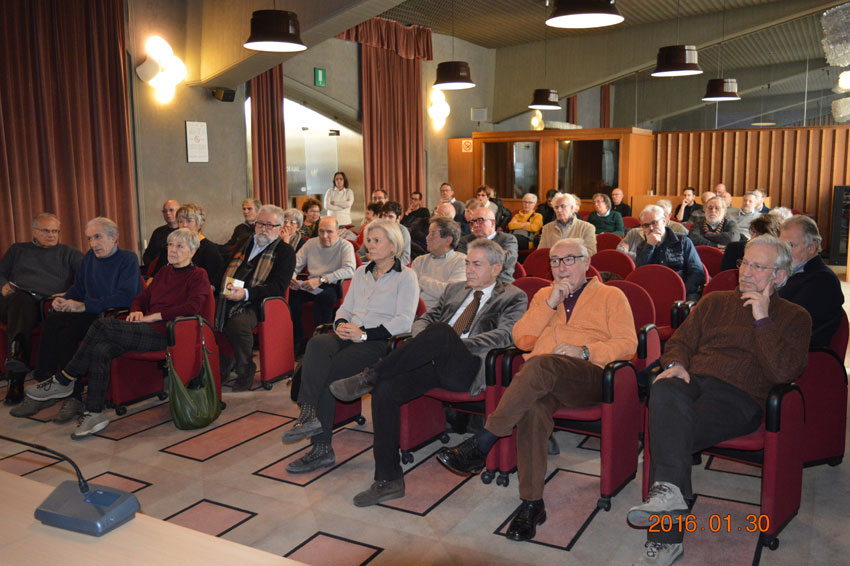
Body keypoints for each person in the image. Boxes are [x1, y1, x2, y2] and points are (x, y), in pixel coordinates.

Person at [435, 239, 636, 541]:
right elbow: (522, 340)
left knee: (542, 364)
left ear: (586, 262)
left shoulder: (611, 295)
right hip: (541, 381)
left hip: (589, 376)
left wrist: (585, 351)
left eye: (569, 259)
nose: (561, 267)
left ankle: (484, 440)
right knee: (533, 409)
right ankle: (532, 504)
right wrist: (550, 304)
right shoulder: (544, 295)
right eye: (555, 261)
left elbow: (628, 344)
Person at [626, 235, 810, 566]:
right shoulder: (715, 302)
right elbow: (680, 341)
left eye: (758, 266)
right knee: (664, 387)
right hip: (694, 381)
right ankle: (669, 494)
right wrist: (676, 364)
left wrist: (762, 319)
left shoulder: (795, 317)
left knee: (670, 433)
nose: (746, 272)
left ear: (780, 276)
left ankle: (665, 537)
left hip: (739, 398)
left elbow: (783, 372)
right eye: (744, 263)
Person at [329, 238, 528, 506]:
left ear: (495, 268)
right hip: (432, 361)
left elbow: (505, 335)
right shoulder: (455, 289)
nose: (469, 270)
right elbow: (425, 319)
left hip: (469, 367)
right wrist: (429, 342)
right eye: (467, 263)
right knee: (386, 390)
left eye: (476, 265)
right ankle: (388, 479)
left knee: (442, 333)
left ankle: (370, 376)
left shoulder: (514, 296)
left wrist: (452, 344)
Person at [24, 228, 212, 438]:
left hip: (169, 334)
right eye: (170, 245)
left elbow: (192, 308)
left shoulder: (199, 275)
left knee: (101, 325)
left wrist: (153, 316)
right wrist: (136, 310)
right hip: (146, 329)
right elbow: (141, 297)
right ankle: (94, 413)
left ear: (192, 251)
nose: (173, 250)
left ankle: (65, 379)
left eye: (179, 246)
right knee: (101, 349)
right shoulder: (163, 272)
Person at [281, 220, 419, 473]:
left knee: (328, 373)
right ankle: (309, 414)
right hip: (349, 333)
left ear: (393, 246)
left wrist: (364, 334)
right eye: (368, 240)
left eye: (376, 241)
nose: (369, 246)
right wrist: (342, 324)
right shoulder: (361, 272)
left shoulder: (406, 276)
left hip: (378, 342)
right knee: (317, 342)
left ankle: (321, 449)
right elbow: (345, 308)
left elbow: (404, 321)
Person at [10, 217, 142, 421]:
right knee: (54, 319)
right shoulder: (89, 258)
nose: (93, 244)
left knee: (68, 331)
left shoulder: (128, 259)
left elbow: (126, 297)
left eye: (97, 237)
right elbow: (79, 288)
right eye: (89, 238)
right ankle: (45, 383)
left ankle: (74, 396)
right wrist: (64, 299)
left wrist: (84, 306)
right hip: (89, 313)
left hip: (110, 318)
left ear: (114, 237)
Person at [1, 213, 82, 405]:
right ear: (34, 232)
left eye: (55, 231)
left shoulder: (68, 253)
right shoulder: (18, 249)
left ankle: (16, 378)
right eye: (46, 231)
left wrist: (69, 293)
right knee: (20, 300)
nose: (52, 235)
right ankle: (17, 367)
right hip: (10, 301)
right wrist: (2, 285)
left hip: (41, 305)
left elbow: (88, 274)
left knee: (23, 306)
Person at [215, 205, 296, 391]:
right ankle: (223, 362)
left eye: (270, 225)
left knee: (238, 324)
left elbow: (278, 287)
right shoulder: (244, 244)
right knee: (207, 315)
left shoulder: (285, 252)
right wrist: (215, 286)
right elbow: (223, 269)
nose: (264, 229)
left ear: (279, 228)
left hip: (259, 303)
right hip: (229, 296)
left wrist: (246, 294)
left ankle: (245, 369)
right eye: (260, 224)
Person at [289, 216, 357, 354]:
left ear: (338, 232)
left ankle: (320, 343)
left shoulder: (345, 245)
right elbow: (295, 264)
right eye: (321, 231)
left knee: (324, 299)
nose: (324, 236)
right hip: (310, 283)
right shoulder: (311, 243)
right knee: (291, 297)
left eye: (329, 232)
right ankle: (298, 341)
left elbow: (349, 270)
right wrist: (292, 278)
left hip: (333, 284)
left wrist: (322, 279)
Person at [779, 215, 844, 348]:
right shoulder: (788, 270)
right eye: (781, 246)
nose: (784, 253)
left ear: (811, 247)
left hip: (798, 352)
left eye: (791, 245)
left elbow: (790, 326)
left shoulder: (823, 281)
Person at [633, 205, 705, 301]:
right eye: (646, 225)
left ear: (664, 221)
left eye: (654, 223)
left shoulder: (683, 241)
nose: (651, 228)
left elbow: (697, 272)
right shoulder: (643, 246)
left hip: (683, 292)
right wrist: (649, 246)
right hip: (654, 293)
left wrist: (682, 291)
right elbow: (640, 273)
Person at [410, 217, 467, 310]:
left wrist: (422, 280)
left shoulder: (461, 261)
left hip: (443, 314)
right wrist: (439, 289)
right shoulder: (419, 261)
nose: (427, 237)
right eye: (428, 233)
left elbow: (451, 293)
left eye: (432, 234)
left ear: (448, 240)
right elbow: (410, 291)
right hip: (416, 312)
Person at [457, 207, 518, 283]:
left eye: (480, 220)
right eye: (472, 222)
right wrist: (496, 254)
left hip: (500, 283)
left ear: (492, 223)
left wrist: (474, 259)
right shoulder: (465, 240)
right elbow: (461, 263)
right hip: (472, 283)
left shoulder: (507, 239)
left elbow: (506, 261)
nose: (475, 225)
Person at [174, 204, 223, 289]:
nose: (184, 225)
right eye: (180, 221)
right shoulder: (171, 247)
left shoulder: (209, 249)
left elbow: (214, 282)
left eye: (189, 221)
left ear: (199, 224)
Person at [142, 199, 179, 275]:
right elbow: (148, 255)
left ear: (179, 212)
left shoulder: (185, 233)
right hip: (157, 273)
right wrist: (153, 267)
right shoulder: (158, 232)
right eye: (165, 211)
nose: (168, 213)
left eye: (171, 210)